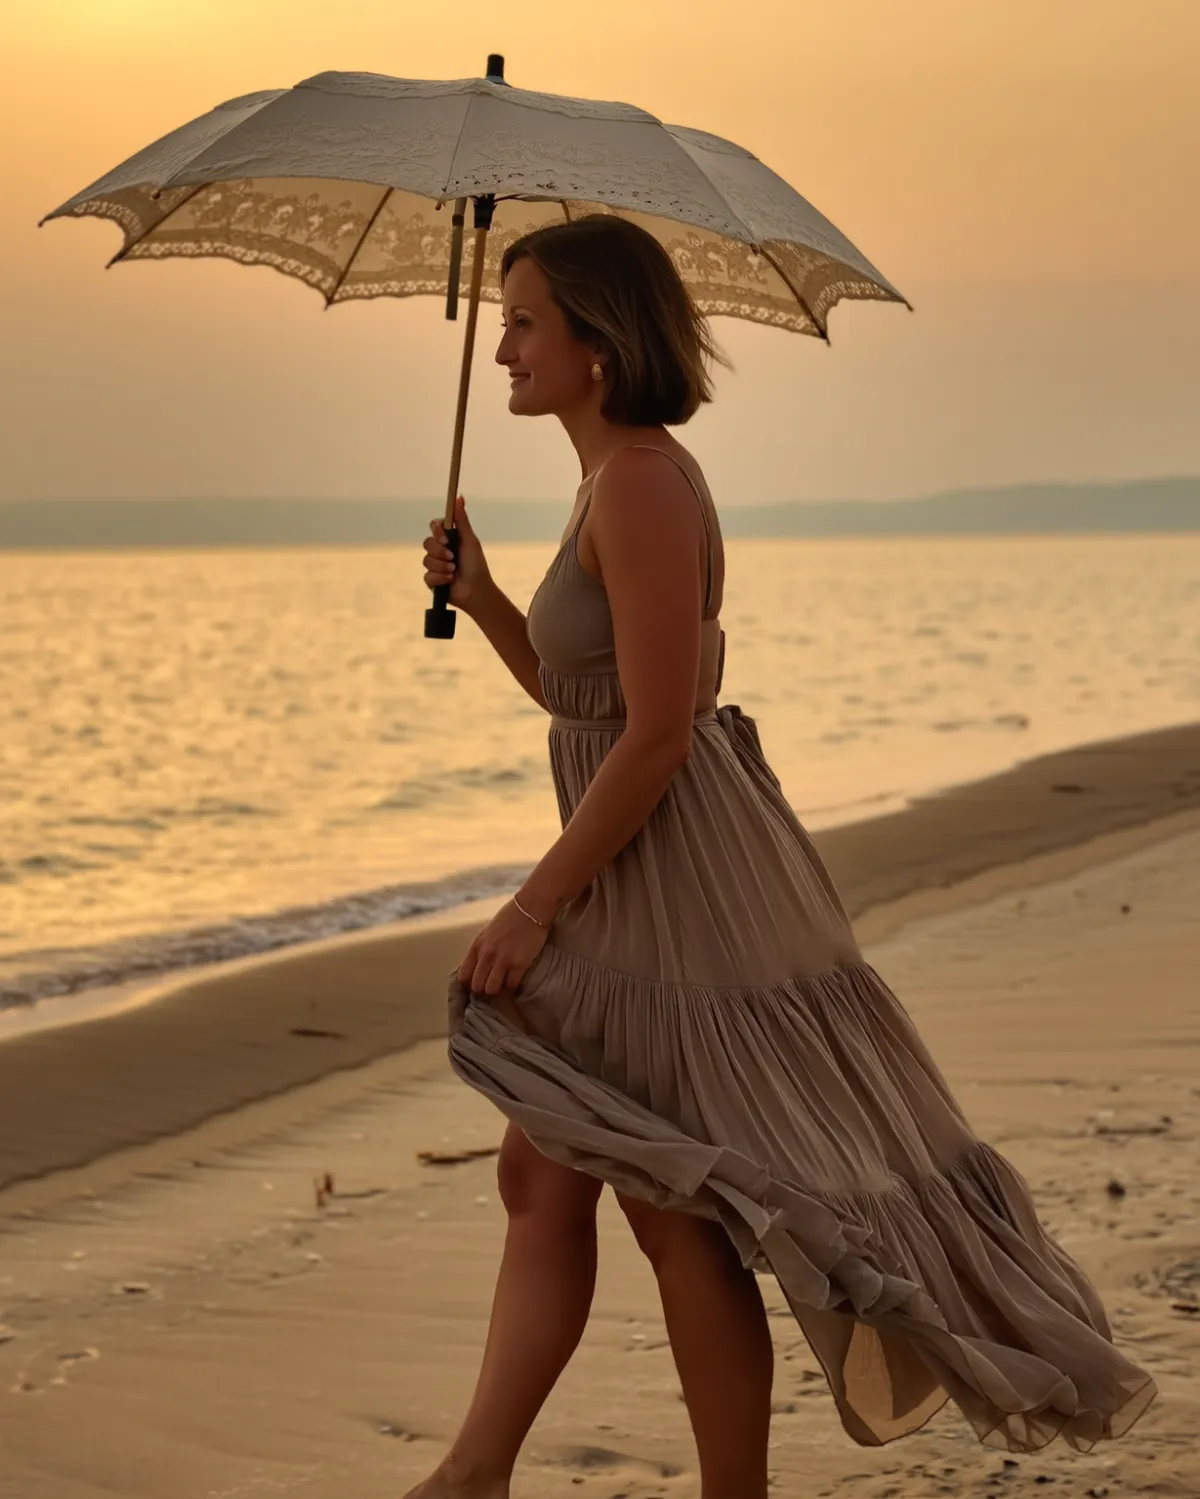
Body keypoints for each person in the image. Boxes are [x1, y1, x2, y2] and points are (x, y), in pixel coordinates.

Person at [406, 216, 1154, 1499]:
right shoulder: (610, 479)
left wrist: (535, 906)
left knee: (669, 1195)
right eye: (508, 322)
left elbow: (650, 742)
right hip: (650, 860)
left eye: (525, 322)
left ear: (597, 343)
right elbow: (586, 708)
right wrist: (483, 605)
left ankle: (661, 1487)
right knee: (558, 1162)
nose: (505, 351)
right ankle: (482, 1468)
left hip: (674, 877)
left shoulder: (642, 482)